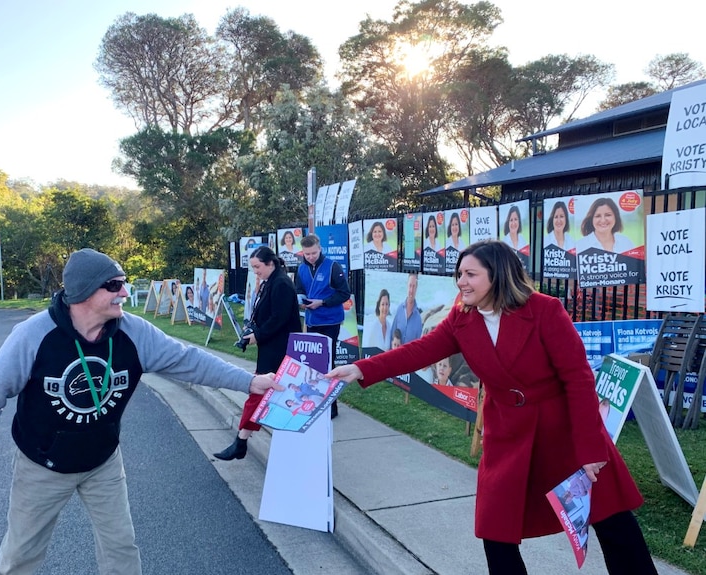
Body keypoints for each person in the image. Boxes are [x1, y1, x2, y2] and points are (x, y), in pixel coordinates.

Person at [326, 240, 657, 575]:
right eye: (459, 274)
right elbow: (420, 351)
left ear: (497, 275)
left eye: (470, 274)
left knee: (611, 520)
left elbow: (579, 380)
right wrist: (362, 368)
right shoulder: (461, 318)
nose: (461, 282)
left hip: (565, 433)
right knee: (495, 528)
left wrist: (590, 447)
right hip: (508, 436)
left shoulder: (545, 310)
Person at [0, 248, 282, 574]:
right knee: (20, 556)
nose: (124, 292)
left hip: (103, 462)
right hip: (42, 463)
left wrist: (249, 382)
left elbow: (189, 361)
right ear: (84, 292)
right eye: (113, 285)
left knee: (121, 551)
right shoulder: (33, 336)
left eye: (123, 283)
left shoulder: (134, 333)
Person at [214, 246, 301, 460]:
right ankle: (242, 440)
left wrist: (257, 335)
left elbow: (278, 318)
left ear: (270, 263)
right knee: (265, 393)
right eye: (253, 268)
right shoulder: (272, 281)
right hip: (273, 347)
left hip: (280, 349)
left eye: (257, 267)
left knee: (259, 392)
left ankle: (241, 441)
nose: (256, 272)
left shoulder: (280, 283)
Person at [294, 233, 351, 418]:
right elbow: (299, 289)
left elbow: (344, 294)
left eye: (313, 253)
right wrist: (301, 300)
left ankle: (332, 407)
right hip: (311, 320)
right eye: (307, 254)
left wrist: (323, 302)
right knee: (313, 365)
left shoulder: (333, 267)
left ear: (320, 249)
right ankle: (314, 401)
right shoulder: (301, 268)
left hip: (330, 321)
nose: (310, 257)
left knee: (328, 364)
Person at [390, 273, 422, 345]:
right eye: (410, 286)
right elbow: (392, 336)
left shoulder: (418, 318)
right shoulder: (399, 310)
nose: (411, 290)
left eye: (413, 286)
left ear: (416, 288)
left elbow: (418, 345)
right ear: (407, 286)